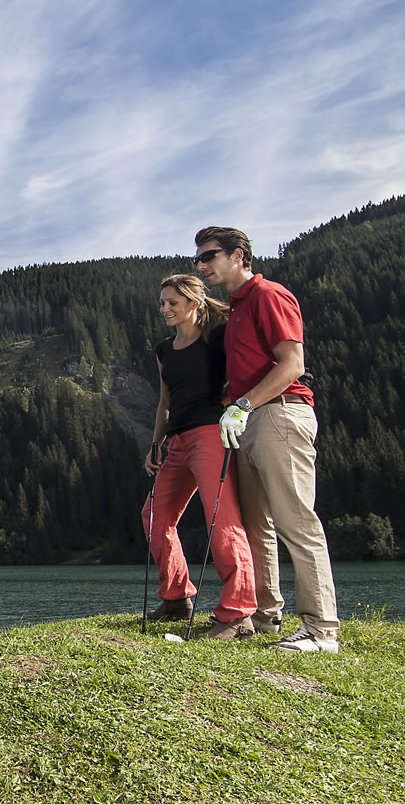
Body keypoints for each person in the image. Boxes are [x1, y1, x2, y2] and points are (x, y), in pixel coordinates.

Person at [193, 226, 340, 652]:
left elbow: (292, 364)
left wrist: (243, 404)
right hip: (250, 420)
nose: (202, 265)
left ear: (239, 255)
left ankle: (320, 630)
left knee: (297, 521)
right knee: (258, 525)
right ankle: (265, 616)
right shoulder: (237, 308)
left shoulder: (269, 295)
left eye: (210, 256)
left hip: (280, 414)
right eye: (198, 259)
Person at [141, 273, 257, 639]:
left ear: (194, 303)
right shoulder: (164, 350)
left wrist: (230, 407)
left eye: (173, 302)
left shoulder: (217, 338)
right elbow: (165, 402)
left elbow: (242, 374)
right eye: (163, 303)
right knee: (154, 515)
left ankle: (238, 613)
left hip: (210, 435)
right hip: (176, 441)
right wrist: (156, 444)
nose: (165, 309)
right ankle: (176, 597)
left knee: (221, 519)